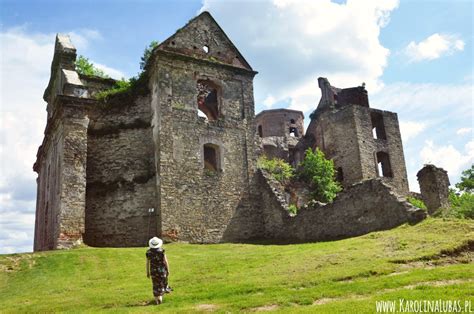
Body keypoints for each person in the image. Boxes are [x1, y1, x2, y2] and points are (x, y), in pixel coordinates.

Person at [146, 237, 169, 305]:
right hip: (162, 270)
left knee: (155, 284)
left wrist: (147, 272)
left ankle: (157, 299)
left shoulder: (148, 252)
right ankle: (160, 297)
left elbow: (147, 263)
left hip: (153, 271)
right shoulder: (162, 251)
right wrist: (168, 270)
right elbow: (165, 261)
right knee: (161, 283)